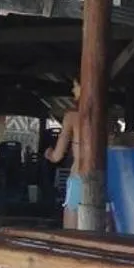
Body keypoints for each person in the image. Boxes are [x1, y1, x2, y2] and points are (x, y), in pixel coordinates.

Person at [45, 82, 85, 226]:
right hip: (104, 177)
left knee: (71, 226)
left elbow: (57, 156)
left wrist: (48, 153)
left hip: (79, 173)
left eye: (75, 85)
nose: (73, 89)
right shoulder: (109, 118)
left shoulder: (72, 117)